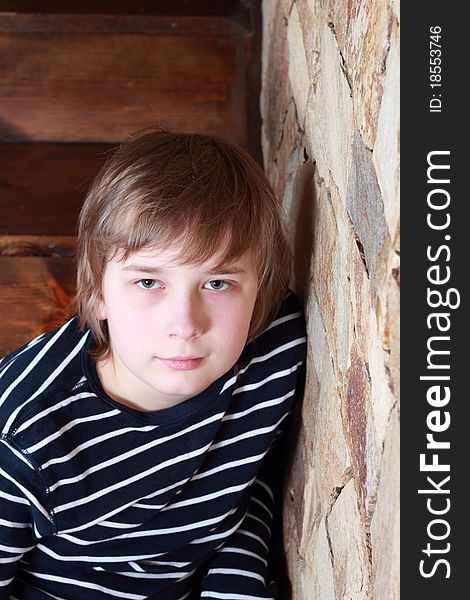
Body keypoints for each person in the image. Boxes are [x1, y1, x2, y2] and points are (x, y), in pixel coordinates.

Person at [0, 129, 306, 599]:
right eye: (148, 283)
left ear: (259, 289)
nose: (185, 324)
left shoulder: (271, 348)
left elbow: (249, 479)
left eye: (218, 283)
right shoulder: (24, 438)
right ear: (97, 293)